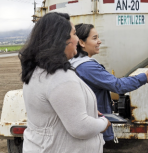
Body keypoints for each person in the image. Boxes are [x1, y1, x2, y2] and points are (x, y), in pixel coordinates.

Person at [19, 12, 111, 153]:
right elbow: (80, 128)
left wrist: (87, 108)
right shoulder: (60, 77)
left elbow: (55, 108)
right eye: (74, 34)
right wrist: (104, 123)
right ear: (62, 40)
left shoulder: (37, 70)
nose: (77, 39)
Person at [69, 23, 148, 142]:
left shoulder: (74, 63)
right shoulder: (87, 67)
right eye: (94, 38)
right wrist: (146, 77)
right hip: (92, 126)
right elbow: (119, 85)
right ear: (81, 43)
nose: (99, 41)